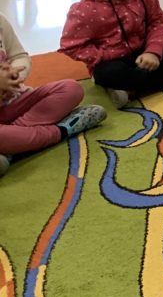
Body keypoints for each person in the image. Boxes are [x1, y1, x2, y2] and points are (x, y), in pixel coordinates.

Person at [2, 13, 106, 177]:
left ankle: (13, 145)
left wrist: (15, 76)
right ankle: (62, 130)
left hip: (18, 100)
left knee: (71, 88)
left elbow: (19, 57)